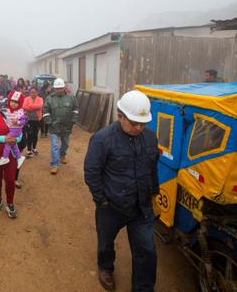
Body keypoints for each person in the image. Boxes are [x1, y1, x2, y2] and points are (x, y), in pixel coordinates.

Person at [84, 90, 159, 291]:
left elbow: (152, 167)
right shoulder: (102, 139)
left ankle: (143, 288)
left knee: (147, 249)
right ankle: (105, 267)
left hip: (141, 207)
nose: (139, 127)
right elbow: (92, 172)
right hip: (111, 206)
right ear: (120, 116)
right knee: (106, 242)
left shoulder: (150, 138)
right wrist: (102, 201)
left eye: (143, 123)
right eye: (134, 123)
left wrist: (154, 194)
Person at [42, 78, 79, 175]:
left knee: (65, 144)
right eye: (57, 88)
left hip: (67, 126)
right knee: (55, 145)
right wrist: (49, 122)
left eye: (60, 88)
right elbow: (45, 111)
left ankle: (62, 155)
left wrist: (73, 120)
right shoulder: (49, 99)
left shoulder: (71, 98)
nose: (59, 90)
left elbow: (75, 109)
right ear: (54, 88)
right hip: (54, 127)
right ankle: (54, 164)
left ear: (64, 88)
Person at [0, 90, 26, 168]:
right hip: (11, 129)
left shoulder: (20, 112)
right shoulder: (8, 110)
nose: (13, 104)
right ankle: (19, 157)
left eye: (16, 102)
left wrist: (18, 122)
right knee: (13, 144)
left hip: (16, 130)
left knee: (8, 141)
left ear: (19, 104)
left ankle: (5, 157)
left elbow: (24, 121)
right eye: (12, 101)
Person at [23, 87, 43, 157]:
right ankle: (29, 150)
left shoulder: (40, 99)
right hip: (28, 120)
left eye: (34, 92)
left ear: (37, 92)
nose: (33, 93)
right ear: (29, 93)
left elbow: (40, 106)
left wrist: (29, 106)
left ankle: (34, 148)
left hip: (37, 120)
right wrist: (34, 107)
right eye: (31, 92)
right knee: (29, 135)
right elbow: (24, 106)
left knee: (35, 135)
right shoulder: (26, 99)